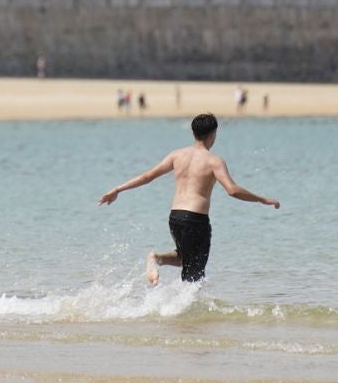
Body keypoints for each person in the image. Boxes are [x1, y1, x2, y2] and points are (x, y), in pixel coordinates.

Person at [98, 113, 280, 286]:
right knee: (194, 278)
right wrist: (262, 199)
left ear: (193, 133)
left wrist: (118, 189)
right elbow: (232, 190)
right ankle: (186, 306)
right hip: (196, 220)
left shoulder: (176, 155)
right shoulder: (214, 161)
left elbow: (148, 176)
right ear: (213, 135)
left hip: (175, 217)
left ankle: (157, 259)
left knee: (185, 258)